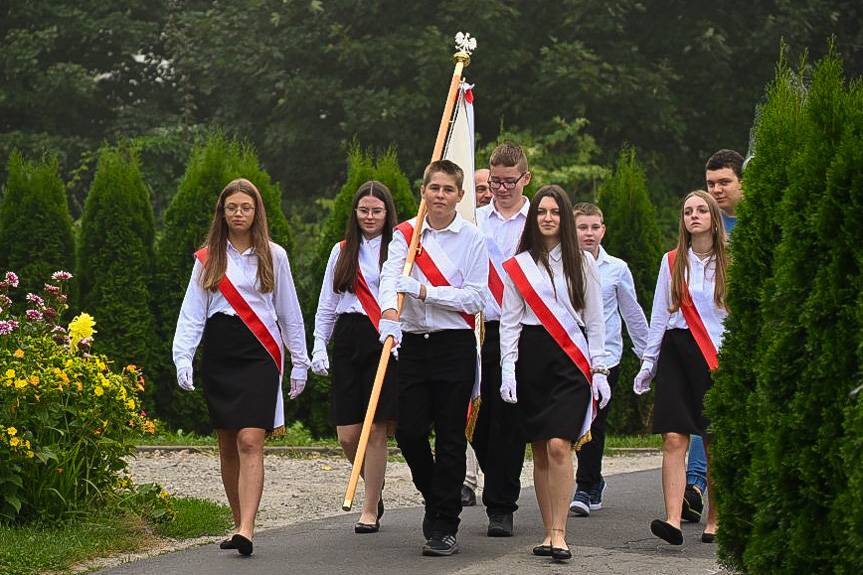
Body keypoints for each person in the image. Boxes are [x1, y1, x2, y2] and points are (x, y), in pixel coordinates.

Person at [173, 178, 310, 556]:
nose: (238, 213)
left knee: (251, 439)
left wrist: (300, 360)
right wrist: (183, 355)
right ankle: (237, 522)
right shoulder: (209, 258)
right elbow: (192, 313)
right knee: (227, 443)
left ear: (256, 212)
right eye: (231, 207)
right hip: (220, 351)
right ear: (223, 212)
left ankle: (248, 527)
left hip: (259, 353)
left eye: (245, 208)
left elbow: (289, 312)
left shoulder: (274, 255)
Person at [378, 159, 488, 556]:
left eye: (448, 190)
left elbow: (477, 297)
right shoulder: (405, 235)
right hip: (412, 342)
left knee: (450, 435)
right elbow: (389, 280)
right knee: (408, 431)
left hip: (453, 344)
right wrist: (388, 316)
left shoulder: (472, 238)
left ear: (460, 195)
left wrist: (427, 291)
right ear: (423, 190)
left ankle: (444, 524)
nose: (440, 196)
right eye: (434, 188)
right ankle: (438, 493)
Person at [499, 185, 609, 562]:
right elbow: (509, 323)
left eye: (555, 212)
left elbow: (595, 322)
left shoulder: (585, 263)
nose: (547, 217)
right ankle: (548, 531)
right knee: (541, 450)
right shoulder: (520, 265)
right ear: (535, 219)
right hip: (531, 356)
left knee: (561, 445)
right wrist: (507, 371)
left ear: (564, 218)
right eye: (542, 212)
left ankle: (561, 532)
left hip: (570, 360)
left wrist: (600, 369)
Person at [634, 190, 728, 545]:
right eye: (688, 210)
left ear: (714, 219)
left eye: (701, 210)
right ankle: (673, 519)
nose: (694, 216)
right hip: (676, 351)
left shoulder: (731, 261)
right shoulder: (672, 260)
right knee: (673, 436)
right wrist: (648, 362)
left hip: (716, 356)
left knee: (714, 438)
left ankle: (716, 520)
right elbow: (660, 314)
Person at [311, 181, 398, 533]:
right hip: (348, 339)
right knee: (348, 435)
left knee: (375, 429)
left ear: (387, 213)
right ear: (355, 213)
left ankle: (369, 507)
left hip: (383, 340)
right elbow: (327, 304)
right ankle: (373, 488)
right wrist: (319, 342)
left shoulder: (399, 250)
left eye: (377, 211)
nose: (370, 216)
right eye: (364, 210)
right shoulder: (341, 250)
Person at [569, 203, 649, 517]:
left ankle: (585, 486)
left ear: (603, 229)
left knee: (595, 422)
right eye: (582, 227)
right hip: (570, 355)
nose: (589, 234)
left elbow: (632, 313)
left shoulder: (616, 268)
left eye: (594, 227)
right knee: (574, 421)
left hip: (606, 358)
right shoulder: (562, 265)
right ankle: (593, 478)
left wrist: (647, 357)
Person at [470, 143, 532, 537]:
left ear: (525, 178)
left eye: (510, 181)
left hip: (523, 330)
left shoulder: (537, 221)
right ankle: (499, 477)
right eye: (496, 181)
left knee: (509, 420)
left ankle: (501, 505)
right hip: (479, 329)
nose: (503, 188)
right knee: (476, 420)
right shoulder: (473, 220)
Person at [682, 149, 744, 522]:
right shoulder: (701, 222)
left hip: (740, 339)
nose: (717, 191)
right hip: (702, 343)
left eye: (724, 183)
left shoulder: (758, 224)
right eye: (711, 184)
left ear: (742, 182)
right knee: (703, 417)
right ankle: (694, 486)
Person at [462, 166, 493, 507]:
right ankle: (467, 479)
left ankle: (494, 475)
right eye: (478, 189)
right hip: (469, 325)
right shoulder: (469, 226)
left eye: (488, 187)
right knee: (466, 404)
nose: (484, 194)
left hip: (499, 327)